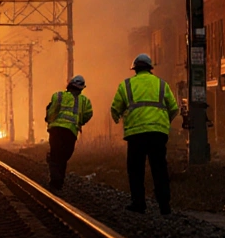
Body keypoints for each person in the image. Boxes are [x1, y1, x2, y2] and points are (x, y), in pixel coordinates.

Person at [110, 53, 179, 215]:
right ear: (150, 68)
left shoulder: (126, 85)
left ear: (135, 69)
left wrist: (121, 120)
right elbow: (174, 109)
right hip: (158, 134)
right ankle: (164, 206)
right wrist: (163, 122)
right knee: (159, 169)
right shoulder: (162, 84)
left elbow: (115, 110)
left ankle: (138, 203)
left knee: (135, 169)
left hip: (136, 134)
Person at [44, 75, 93, 190]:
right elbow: (88, 114)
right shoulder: (84, 101)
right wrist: (80, 121)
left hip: (56, 130)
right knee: (64, 156)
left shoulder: (58, 96)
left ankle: (56, 179)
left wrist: (49, 121)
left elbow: (51, 110)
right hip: (71, 132)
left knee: (56, 154)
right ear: (81, 88)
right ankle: (58, 181)